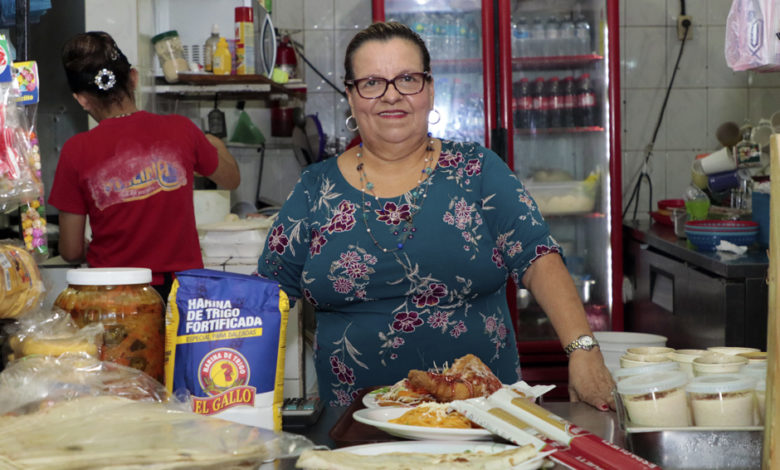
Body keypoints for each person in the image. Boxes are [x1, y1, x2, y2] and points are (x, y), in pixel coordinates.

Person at [257, 22, 615, 410]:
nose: (391, 96)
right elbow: (267, 296)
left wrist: (583, 349)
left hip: (483, 423)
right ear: (350, 95)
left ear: (429, 89)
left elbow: (538, 257)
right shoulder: (314, 189)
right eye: (372, 82)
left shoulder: (477, 170)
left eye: (407, 79)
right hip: (354, 431)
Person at [49, 31, 240, 300]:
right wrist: (212, 143)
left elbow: (70, 250)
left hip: (114, 297)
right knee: (178, 345)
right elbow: (231, 178)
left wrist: (89, 247)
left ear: (81, 99)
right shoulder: (181, 130)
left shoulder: (75, 150)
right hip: (181, 295)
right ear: (134, 78)